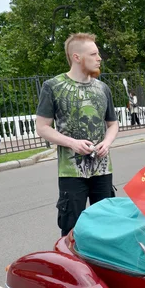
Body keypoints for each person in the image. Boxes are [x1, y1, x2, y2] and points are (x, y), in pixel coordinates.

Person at [35, 32, 119, 236]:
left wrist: (107, 143)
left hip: (102, 169)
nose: (99, 58)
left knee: (108, 225)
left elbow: (113, 124)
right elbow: (42, 127)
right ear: (76, 57)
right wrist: (72, 143)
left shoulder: (103, 88)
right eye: (94, 54)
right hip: (71, 172)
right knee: (71, 229)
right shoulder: (53, 87)